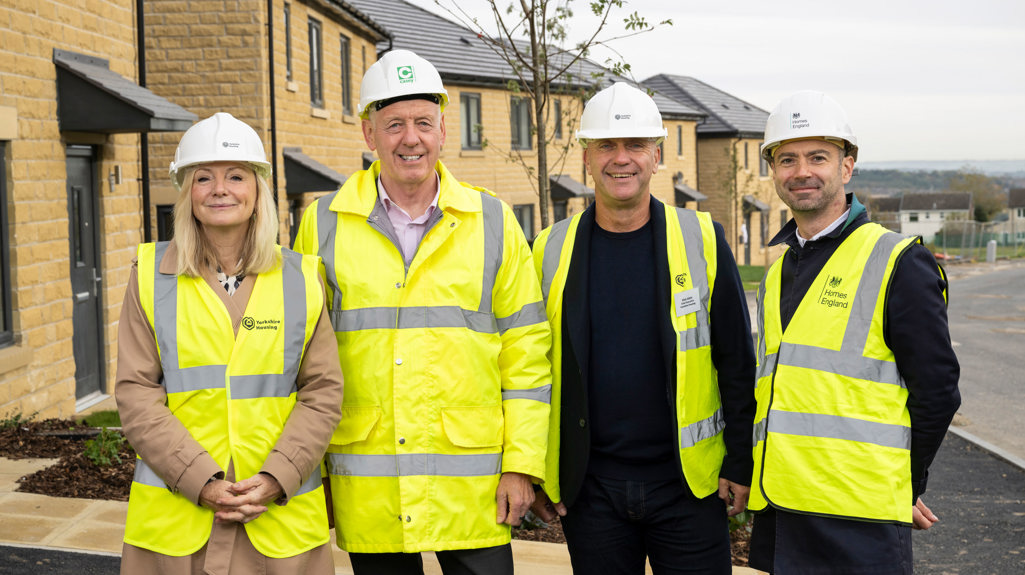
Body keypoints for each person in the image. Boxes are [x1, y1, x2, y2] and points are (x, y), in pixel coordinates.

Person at [292, 49, 552, 575]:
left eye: (423, 123)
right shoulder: (322, 223)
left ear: (441, 131)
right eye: (394, 125)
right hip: (370, 483)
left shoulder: (494, 221)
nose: (410, 139)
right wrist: (306, 474)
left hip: (474, 485)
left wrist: (521, 466)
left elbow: (527, 357)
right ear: (369, 135)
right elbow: (302, 362)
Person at [530, 82, 757, 574]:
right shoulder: (548, 249)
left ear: (657, 156)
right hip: (591, 492)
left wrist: (740, 461)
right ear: (586, 159)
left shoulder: (701, 237)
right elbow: (529, 369)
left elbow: (736, 359)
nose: (621, 159)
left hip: (688, 488)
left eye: (635, 146)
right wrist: (536, 472)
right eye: (606, 146)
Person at [115, 112, 343, 575]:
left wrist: (277, 477)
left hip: (280, 520)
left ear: (257, 191)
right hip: (176, 524)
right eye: (204, 178)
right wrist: (199, 480)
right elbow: (136, 392)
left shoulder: (302, 277)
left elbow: (323, 394)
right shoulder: (149, 276)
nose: (220, 189)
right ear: (188, 193)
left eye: (236, 176)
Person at [747, 91, 961, 574]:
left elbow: (938, 392)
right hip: (781, 510)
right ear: (774, 172)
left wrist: (903, 483)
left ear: (847, 168)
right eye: (787, 159)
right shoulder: (779, 270)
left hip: (857, 519)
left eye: (818, 157)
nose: (801, 171)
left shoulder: (898, 261)